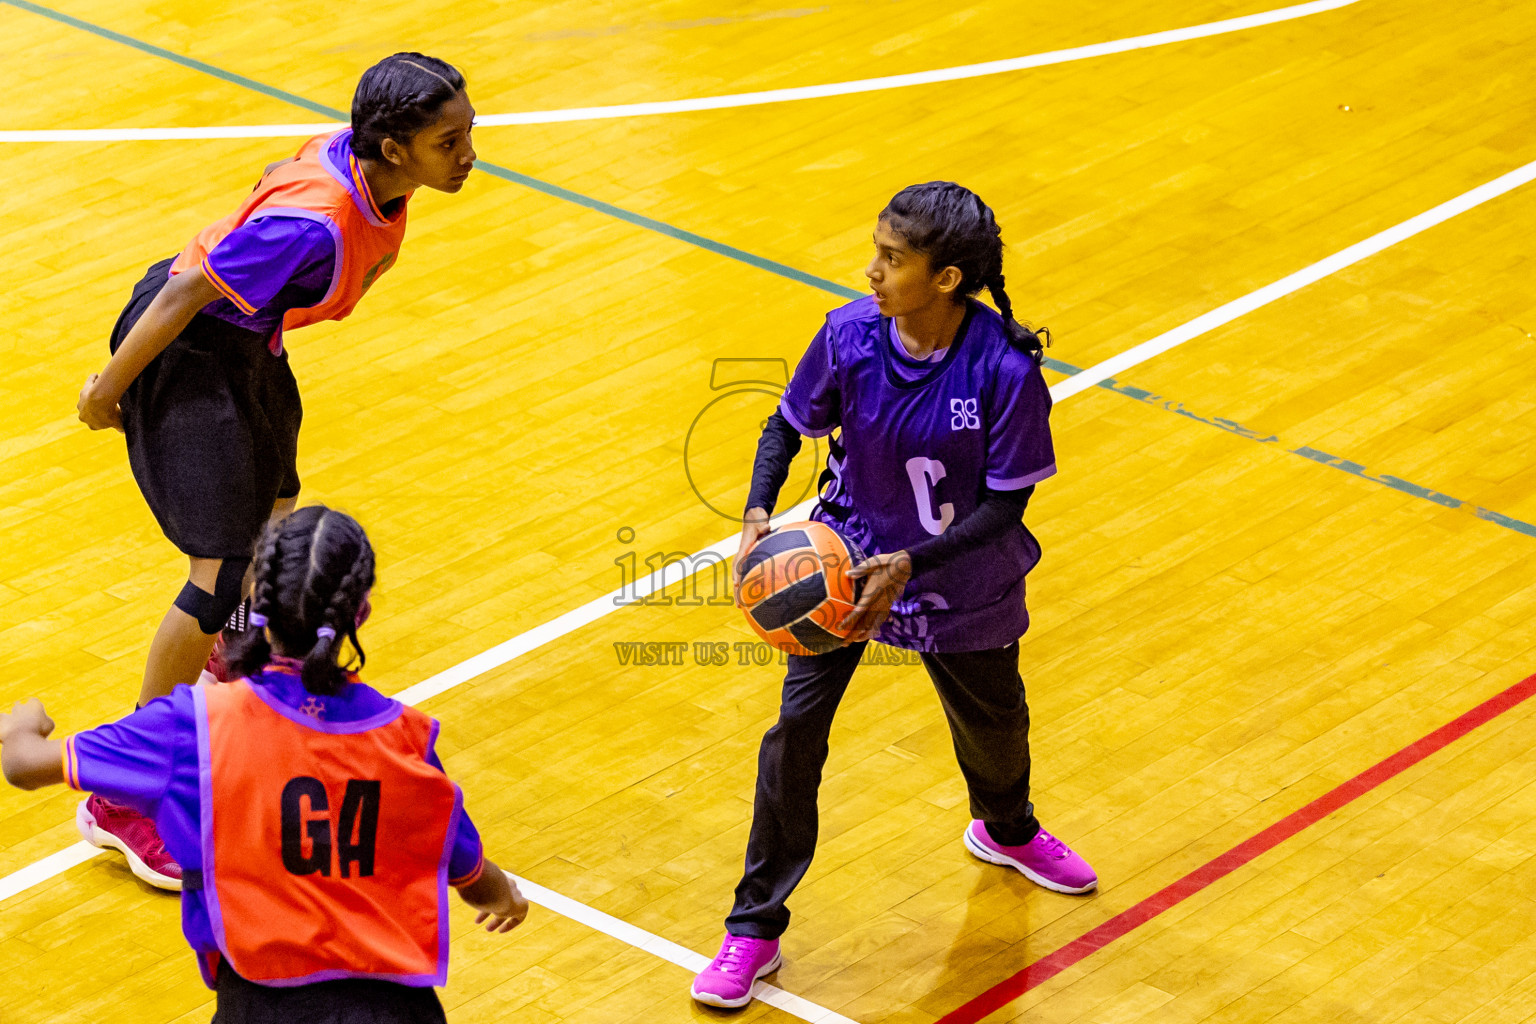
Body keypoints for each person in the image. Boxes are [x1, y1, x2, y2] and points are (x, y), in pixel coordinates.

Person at [71, 53, 477, 888]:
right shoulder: (317, 222)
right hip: (183, 350)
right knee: (217, 576)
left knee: (278, 519)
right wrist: (108, 389)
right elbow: (184, 292)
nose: (470, 152)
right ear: (394, 147)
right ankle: (124, 798)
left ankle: (238, 671)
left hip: (247, 341)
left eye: (468, 132)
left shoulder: (369, 176)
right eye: (451, 139)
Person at [691, 182, 1098, 1008]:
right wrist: (760, 509)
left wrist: (913, 562)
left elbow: (1006, 506)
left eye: (892, 259)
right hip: (843, 568)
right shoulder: (849, 334)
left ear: (946, 278)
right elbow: (785, 426)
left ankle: (1007, 830)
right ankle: (753, 929)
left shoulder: (1004, 370)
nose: (870, 271)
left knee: (995, 726)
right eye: (876, 251)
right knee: (793, 739)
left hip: (960, 582)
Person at [0, 506, 526, 1023]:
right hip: (397, 1008)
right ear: (360, 612)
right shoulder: (407, 736)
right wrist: (504, 896)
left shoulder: (195, 726)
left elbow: (24, 765)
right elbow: (466, 867)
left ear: (254, 605)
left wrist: (23, 725)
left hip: (262, 1004)